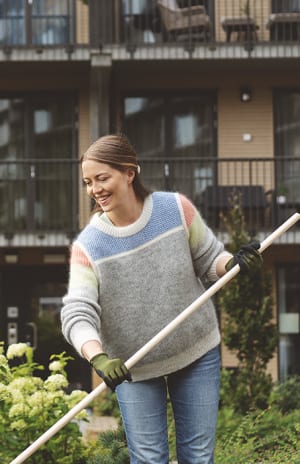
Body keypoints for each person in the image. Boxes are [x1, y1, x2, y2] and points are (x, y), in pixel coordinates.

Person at [60, 134, 261, 464]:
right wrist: (98, 358)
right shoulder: (89, 246)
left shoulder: (175, 209)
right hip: (133, 367)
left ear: (129, 172)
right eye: (87, 181)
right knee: (149, 459)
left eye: (102, 178)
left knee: (197, 457)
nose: (94, 189)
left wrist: (234, 263)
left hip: (196, 350)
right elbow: (78, 313)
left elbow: (210, 260)